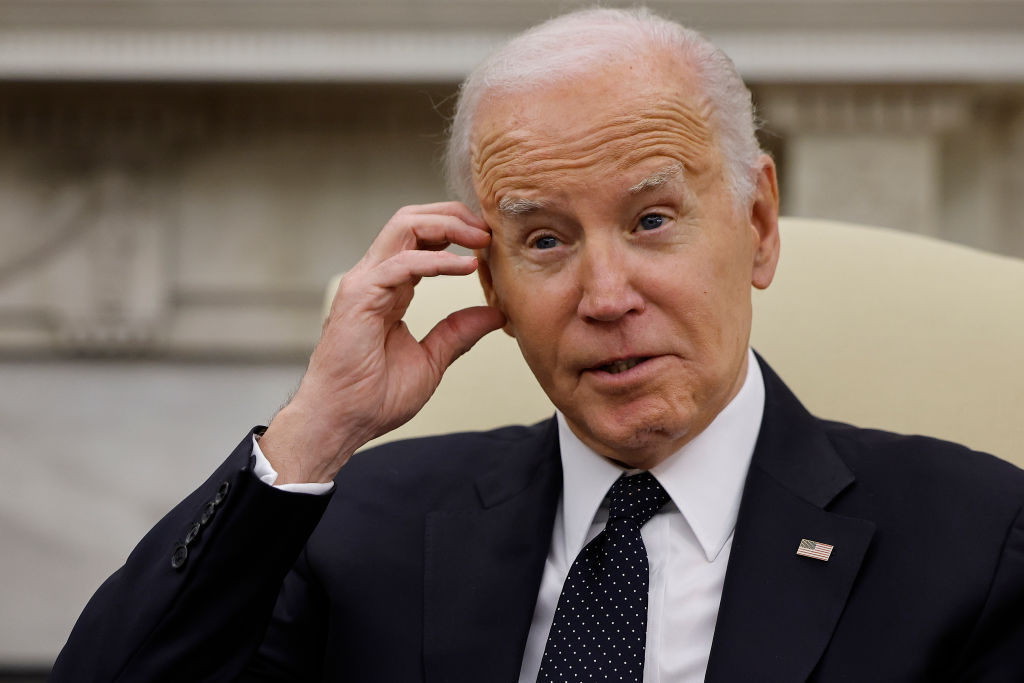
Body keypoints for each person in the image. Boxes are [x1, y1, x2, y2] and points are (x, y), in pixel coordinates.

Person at [53, 7, 1024, 683]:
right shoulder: (362, 527)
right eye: (545, 240)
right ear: (490, 281)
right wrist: (314, 432)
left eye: (651, 219)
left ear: (758, 224)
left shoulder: (973, 537)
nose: (605, 296)